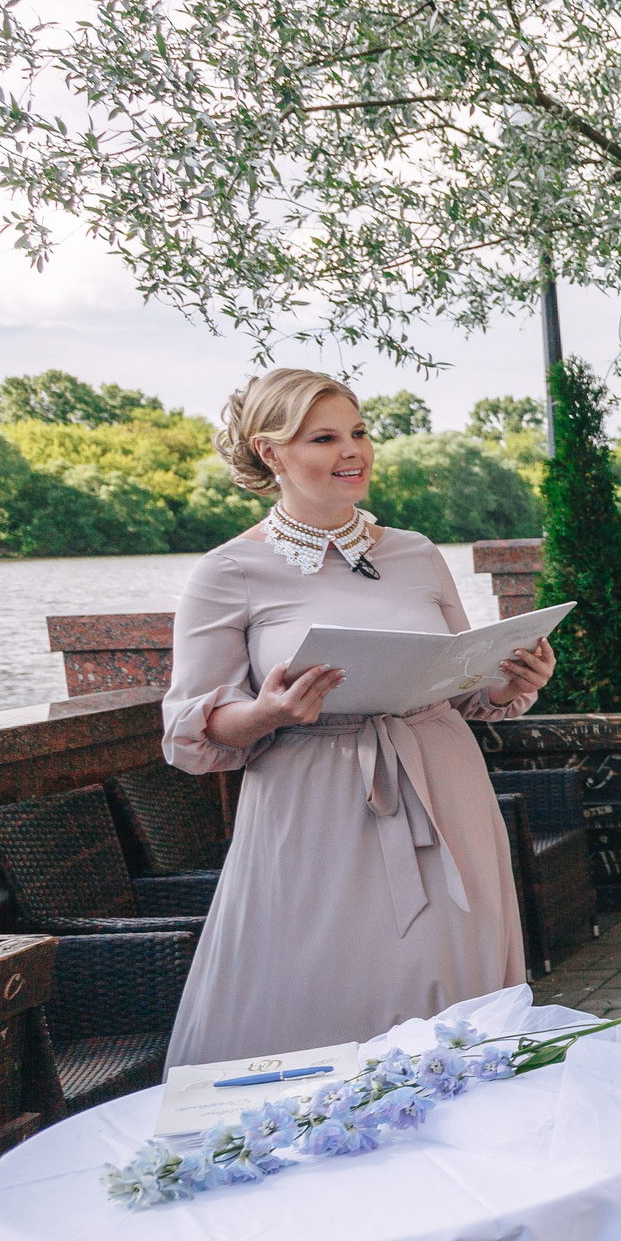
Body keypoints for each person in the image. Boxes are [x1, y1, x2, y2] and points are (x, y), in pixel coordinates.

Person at [161, 369, 556, 1066]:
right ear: (271, 452)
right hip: (313, 807)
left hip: (444, 793)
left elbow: (460, 680)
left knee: (451, 988)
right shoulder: (226, 572)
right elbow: (196, 726)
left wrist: (508, 682)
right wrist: (267, 711)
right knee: (319, 989)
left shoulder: (414, 551)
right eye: (325, 437)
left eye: (360, 432)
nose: (354, 451)